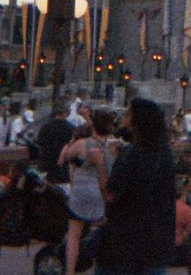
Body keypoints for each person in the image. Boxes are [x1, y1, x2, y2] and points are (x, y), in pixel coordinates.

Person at [101, 98, 176, 275]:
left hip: (127, 237)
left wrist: (103, 164)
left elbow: (111, 194)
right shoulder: (165, 154)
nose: (123, 118)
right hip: (158, 235)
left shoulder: (130, 154)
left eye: (128, 114)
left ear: (137, 122)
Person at [60, 109, 113, 275]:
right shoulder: (111, 145)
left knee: (74, 234)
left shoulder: (82, 143)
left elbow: (65, 158)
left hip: (81, 189)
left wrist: (69, 145)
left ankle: (70, 270)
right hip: (99, 190)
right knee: (97, 231)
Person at [33, 100, 77, 185]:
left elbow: (40, 147)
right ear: (67, 112)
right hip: (63, 170)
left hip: (45, 169)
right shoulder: (72, 129)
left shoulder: (44, 127)